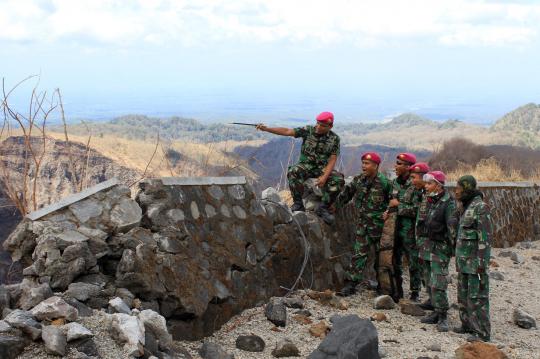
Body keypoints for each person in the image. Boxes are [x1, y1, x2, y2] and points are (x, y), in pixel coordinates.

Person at [256, 112, 344, 224]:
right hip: (306, 166)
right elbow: (287, 131)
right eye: (317, 123)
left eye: (322, 125)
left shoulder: (334, 139)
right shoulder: (308, 130)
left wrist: (325, 177)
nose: (318, 126)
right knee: (293, 171)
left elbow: (332, 159)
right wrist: (267, 129)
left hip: (321, 169)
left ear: (330, 126)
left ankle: (323, 208)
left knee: (339, 180)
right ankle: (298, 204)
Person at [334, 152, 391, 296]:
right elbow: (346, 195)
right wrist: (331, 207)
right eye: (363, 163)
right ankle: (351, 285)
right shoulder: (358, 180)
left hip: (380, 228)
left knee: (381, 258)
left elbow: (394, 201)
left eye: (367, 164)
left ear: (376, 166)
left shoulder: (384, 182)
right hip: (363, 225)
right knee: (359, 255)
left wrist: (389, 212)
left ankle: (383, 287)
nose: (363, 166)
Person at [453, 175, 492, 342]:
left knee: (477, 298)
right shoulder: (465, 206)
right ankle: (466, 325)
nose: (456, 191)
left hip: (475, 263)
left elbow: (485, 237)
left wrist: (482, 263)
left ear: (467, 188)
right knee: (463, 295)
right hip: (463, 262)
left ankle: (482, 333)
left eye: (458, 188)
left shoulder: (480, 207)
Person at [419, 171, 457, 332]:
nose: (426, 186)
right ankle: (434, 306)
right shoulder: (430, 200)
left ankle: (442, 315)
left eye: (429, 184)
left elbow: (452, 228)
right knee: (427, 277)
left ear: (439, 185)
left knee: (439, 281)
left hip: (440, 248)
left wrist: (451, 249)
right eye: (426, 183)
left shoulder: (448, 203)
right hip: (427, 245)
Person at [387, 153, 422, 301]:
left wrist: (398, 205)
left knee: (413, 261)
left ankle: (415, 292)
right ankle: (397, 290)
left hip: (409, 231)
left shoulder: (415, 185)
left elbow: (417, 209)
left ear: (408, 167)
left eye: (400, 164)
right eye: (396, 163)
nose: (396, 166)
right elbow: (389, 203)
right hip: (394, 228)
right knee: (395, 261)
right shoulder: (394, 183)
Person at [409, 162, 433, 309]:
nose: (412, 181)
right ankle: (431, 299)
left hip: (430, 241)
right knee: (423, 270)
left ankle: (436, 303)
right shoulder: (420, 193)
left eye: (414, 178)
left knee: (431, 272)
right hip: (420, 239)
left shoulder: (432, 196)